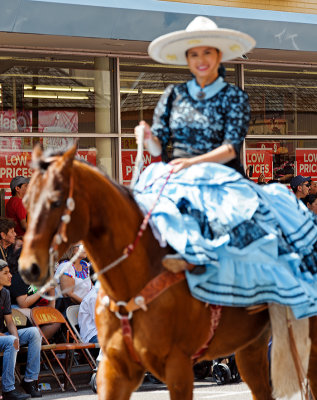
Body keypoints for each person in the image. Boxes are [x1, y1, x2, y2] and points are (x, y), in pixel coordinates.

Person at [131, 16, 317, 320]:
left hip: (221, 175)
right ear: (187, 59)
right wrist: (148, 137)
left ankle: (239, 282)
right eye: (194, 54)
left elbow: (231, 147)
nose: (201, 60)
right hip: (178, 173)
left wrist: (191, 161)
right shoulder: (173, 95)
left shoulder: (234, 97)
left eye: (207, 52)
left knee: (234, 219)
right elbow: (157, 147)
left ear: (218, 55)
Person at [0, 259, 42, 400]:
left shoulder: (5, 293)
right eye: (5, 273)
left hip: (3, 335)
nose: (10, 275)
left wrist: (16, 337)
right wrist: (12, 339)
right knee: (10, 340)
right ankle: (8, 390)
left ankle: (29, 380)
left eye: (10, 272)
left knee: (34, 333)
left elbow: (9, 322)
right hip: (2, 337)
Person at [55, 243, 92, 314]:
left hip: (83, 309)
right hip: (68, 312)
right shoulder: (66, 266)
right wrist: (89, 305)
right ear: (71, 249)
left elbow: (91, 288)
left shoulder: (85, 265)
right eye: (81, 246)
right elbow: (68, 295)